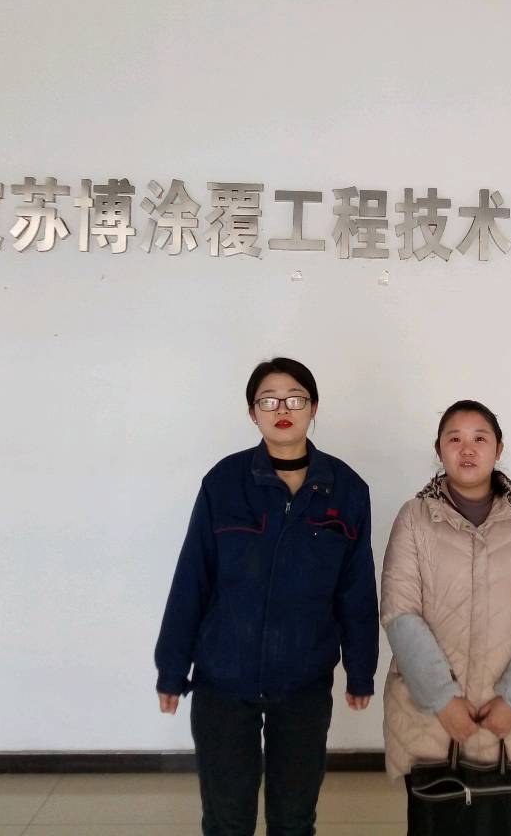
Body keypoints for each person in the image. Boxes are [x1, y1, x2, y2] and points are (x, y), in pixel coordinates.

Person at [155, 357, 379, 836]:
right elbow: (192, 578)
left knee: (294, 820)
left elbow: (357, 591)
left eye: (295, 399)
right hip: (223, 681)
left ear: (313, 408)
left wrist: (361, 670)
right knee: (226, 821)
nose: (282, 409)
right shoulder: (223, 483)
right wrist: (172, 669)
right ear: (252, 412)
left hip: (303, 684)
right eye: (269, 400)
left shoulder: (346, 490)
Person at [380, 400, 511, 832]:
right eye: (455, 439)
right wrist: (442, 698)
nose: (467, 449)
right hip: (430, 719)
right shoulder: (414, 518)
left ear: (498, 449)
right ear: (439, 450)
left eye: (479, 438)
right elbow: (399, 612)